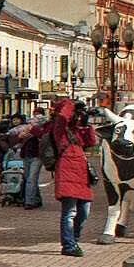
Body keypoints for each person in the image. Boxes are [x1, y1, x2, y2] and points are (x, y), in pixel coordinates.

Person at [44, 98, 97, 256]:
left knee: (84, 211)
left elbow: (91, 141)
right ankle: (69, 245)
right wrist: (71, 105)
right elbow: (61, 117)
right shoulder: (59, 130)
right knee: (70, 212)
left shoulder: (76, 131)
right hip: (67, 172)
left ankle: (74, 239)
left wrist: (86, 123)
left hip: (81, 175)